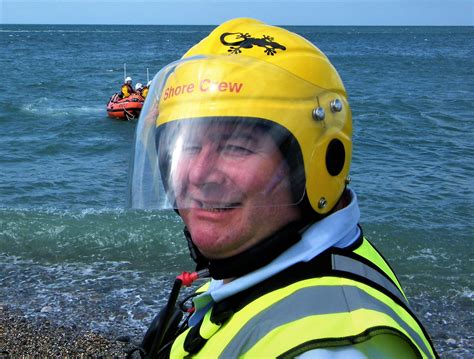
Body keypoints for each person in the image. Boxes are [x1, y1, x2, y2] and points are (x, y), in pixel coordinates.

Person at [128, 18, 437, 358]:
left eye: (237, 146)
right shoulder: (265, 268)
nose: (199, 173)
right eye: (186, 145)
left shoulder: (332, 348)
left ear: (318, 165)